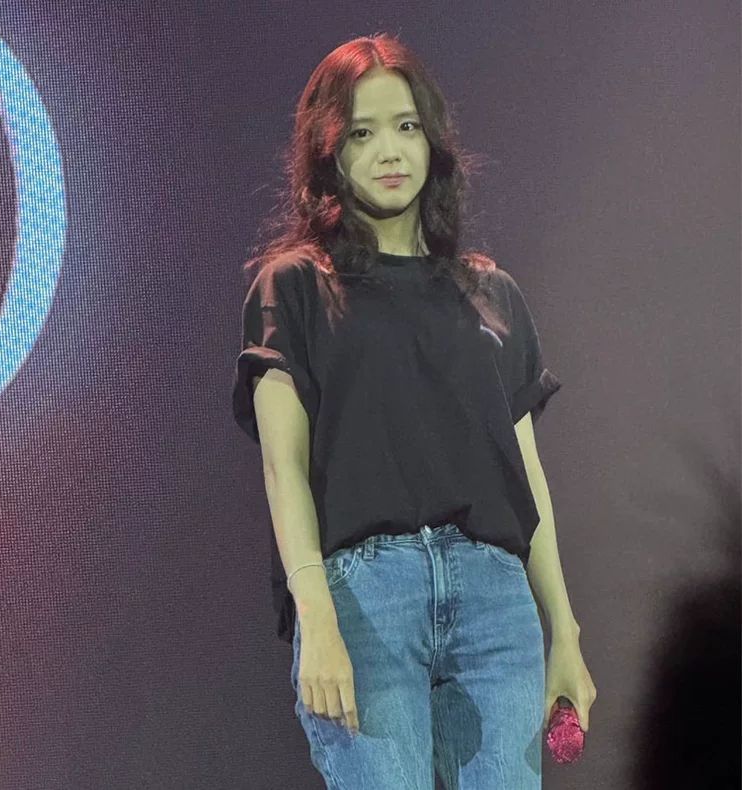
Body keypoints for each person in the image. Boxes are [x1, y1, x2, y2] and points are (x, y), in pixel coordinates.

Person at [232, 32, 596, 790]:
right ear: (329, 153)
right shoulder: (294, 286)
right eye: (361, 133)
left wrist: (563, 630)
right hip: (367, 600)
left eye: (405, 126)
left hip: (496, 606)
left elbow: (525, 476)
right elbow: (282, 468)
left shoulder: (491, 293)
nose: (389, 151)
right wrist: (315, 615)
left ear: (433, 139)